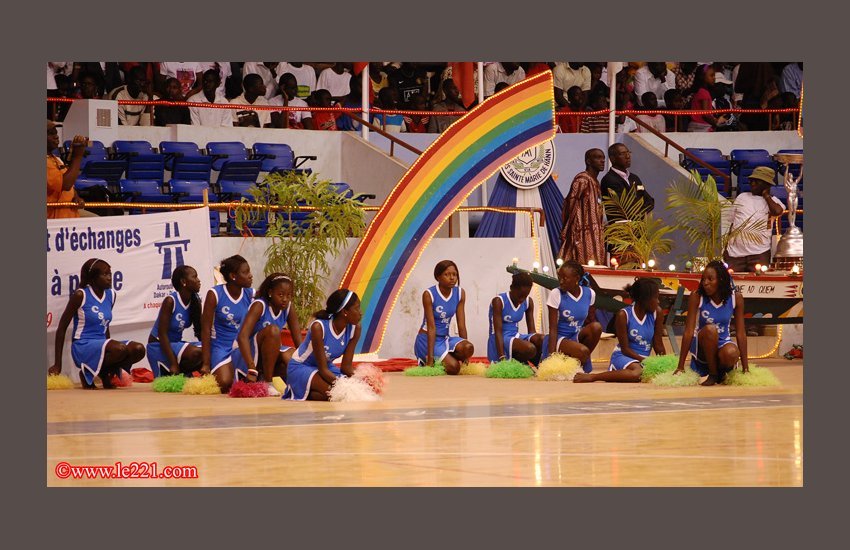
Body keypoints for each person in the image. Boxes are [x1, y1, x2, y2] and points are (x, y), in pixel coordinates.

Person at [49, 258, 146, 388]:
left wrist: (112, 349)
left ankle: (105, 373)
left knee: (138, 349)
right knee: (120, 349)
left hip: (101, 343)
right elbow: (62, 328)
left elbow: (105, 324)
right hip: (83, 345)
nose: (109, 278)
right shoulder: (81, 295)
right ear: (93, 278)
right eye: (105, 274)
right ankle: (88, 372)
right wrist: (57, 364)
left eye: (110, 274)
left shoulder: (111, 295)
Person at [223, 273, 303, 397]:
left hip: (267, 353)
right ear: (270, 292)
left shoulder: (288, 307)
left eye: (288, 295)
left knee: (291, 355)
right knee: (273, 331)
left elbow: (298, 340)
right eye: (280, 295)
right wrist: (251, 367)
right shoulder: (259, 305)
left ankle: (299, 386)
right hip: (245, 353)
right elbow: (242, 337)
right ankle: (268, 382)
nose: (285, 299)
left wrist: (307, 364)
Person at [573, 278, 665, 383]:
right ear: (645, 299)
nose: (658, 301)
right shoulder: (623, 315)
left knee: (655, 371)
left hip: (644, 360)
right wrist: (645, 361)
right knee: (637, 373)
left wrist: (664, 363)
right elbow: (625, 349)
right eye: (656, 298)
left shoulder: (657, 312)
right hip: (624, 356)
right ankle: (594, 377)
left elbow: (658, 345)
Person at [674, 260, 749, 386]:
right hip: (703, 345)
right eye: (703, 279)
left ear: (721, 280)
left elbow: (741, 333)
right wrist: (680, 366)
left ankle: (722, 373)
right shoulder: (697, 296)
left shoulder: (736, 298)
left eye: (710, 279)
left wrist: (746, 368)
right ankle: (713, 374)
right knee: (710, 329)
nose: (705, 283)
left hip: (723, 343)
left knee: (731, 353)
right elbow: (688, 331)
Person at [282, 289, 362, 401]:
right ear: (345, 312)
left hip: (327, 368)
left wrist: (363, 379)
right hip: (302, 367)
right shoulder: (319, 327)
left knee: (355, 388)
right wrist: (345, 385)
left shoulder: (355, 329)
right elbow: (323, 369)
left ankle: (304, 391)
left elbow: (346, 367)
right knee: (336, 392)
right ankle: (298, 388)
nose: (360, 312)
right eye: (357, 308)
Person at [202, 255, 255, 392]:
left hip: (243, 346)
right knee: (224, 383)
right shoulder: (215, 294)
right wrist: (206, 363)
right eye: (245, 272)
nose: (250, 275)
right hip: (221, 346)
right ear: (233, 276)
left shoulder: (251, 294)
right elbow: (205, 330)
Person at [414, 260, 474, 375]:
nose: (452, 278)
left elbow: (461, 325)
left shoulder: (460, 293)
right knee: (454, 368)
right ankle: (435, 358)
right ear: (438, 277)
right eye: (447, 274)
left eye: (454, 274)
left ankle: (444, 356)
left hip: (445, 338)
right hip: (427, 339)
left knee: (468, 347)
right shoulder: (429, 294)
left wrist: (465, 357)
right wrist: (430, 359)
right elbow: (431, 327)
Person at [544, 261, 602, 372]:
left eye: (565, 278)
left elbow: (590, 320)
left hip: (576, 336)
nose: (561, 281)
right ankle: (579, 358)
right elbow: (552, 328)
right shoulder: (556, 293)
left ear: (577, 278)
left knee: (597, 327)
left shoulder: (590, 293)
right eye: (559, 277)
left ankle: (579, 361)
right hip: (559, 338)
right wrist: (551, 358)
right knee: (583, 351)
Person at [145, 265, 203, 377]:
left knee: (210, 348)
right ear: (183, 281)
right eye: (194, 277)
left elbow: (200, 331)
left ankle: (184, 372)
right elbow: (162, 334)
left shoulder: (195, 301)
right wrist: (173, 363)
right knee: (196, 352)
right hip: (159, 346)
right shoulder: (170, 301)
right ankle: (176, 369)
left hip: (176, 344)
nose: (198, 280)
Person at [723, 166, 784, 272]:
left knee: (758, 280)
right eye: (751, 180)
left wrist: (766, 196)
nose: (752, 183)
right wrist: (726, 248)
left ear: (767, 184)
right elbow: (732, 223)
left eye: (757, 181)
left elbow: (777, 211)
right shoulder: (741, 197)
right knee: (732, 281)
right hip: (734, 254)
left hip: (759, 254)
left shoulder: (774, 202)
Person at [558, 148, 606, 265]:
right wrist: (570, 229)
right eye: (598, 158)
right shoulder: (582, 180)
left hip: (596, 232)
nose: (602, 161)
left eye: (603, 158)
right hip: (582, 233)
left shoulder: (596, 182)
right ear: (588, 161)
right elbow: (570, 203)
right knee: (582, 264)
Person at [487, 272, 544, 364]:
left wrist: (537, 345)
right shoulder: (499, 301)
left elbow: (532, 332)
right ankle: (519, 362)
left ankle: (540, 365)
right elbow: (498, 332)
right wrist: (502, 357)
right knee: (530, 348)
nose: (522, 299)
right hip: (499, 339)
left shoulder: (528, 302)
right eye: (520, 296)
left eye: (525, 296)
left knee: (543, 339)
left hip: (515, 336)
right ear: (512, 288)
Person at [600, 143, 655, 222]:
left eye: (628, 152)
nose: (628, 156)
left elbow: (649, 201)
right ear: (612, 158)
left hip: (638, 225)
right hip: (621, 227)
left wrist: (639, 215)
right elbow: (623, 207)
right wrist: (641, 213)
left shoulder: (634, 178)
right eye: (623, 154)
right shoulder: (609, 180)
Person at [46, 121, 88, 219]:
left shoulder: (56, 159)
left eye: (56, 133)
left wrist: (76, 197)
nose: (56, 137)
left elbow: (71, 185)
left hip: (70, 211)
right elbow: (65, 184)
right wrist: (77, 156)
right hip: (55, 218)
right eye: (51, 134)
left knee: (101, 222)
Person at [688, 64, 729, 132]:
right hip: (702, 128)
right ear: (702, 77)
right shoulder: (704, 92)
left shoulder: (699, 91)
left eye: (714, 75)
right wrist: (717, 122)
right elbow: (706, 114)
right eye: (711, 75)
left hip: (696, 126)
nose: (714, 78)